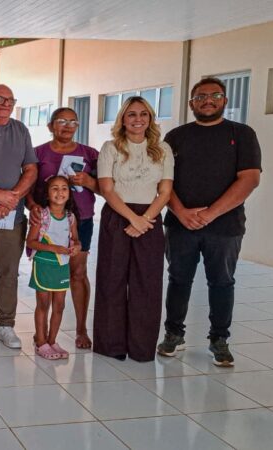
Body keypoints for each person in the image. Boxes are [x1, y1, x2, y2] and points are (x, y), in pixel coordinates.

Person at [157, 78, 262, 367]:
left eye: (215, 95)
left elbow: (250, 178)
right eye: (200, 96)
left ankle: (219, 340)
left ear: (225, 101)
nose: (208, 100)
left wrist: (210, 213)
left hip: (225, 227)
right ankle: (173, 334)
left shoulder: (241, 134)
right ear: (191, 103)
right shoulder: (176, 137)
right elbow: (164, 182)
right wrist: (181, 212)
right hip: (181, 225)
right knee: (178, 280)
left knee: (222, 282)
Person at [93, 96, 173, 362]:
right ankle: (111, 345)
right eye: (131, 114)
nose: (137, 119)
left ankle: (141, 348)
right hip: (117, 216)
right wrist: (132, 218)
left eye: (143, 114)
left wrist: (145, 219)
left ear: (150, 118)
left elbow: (165, 191)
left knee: (147, 284)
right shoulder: (111, 147)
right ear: (123, 119)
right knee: (111, 279)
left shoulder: (162, 149)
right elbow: (106, 188)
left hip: (150, 218)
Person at [26, 107, 100, 349]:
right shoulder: (37, 153)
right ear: (50, 126)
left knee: (78, 273)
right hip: (47, 222)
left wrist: (88, 181)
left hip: (81, 220)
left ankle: (81, 329)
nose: (67, 126)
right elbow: (28, 186)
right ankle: (42, 334)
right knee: (47, 272)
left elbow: (107, 187)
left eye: (72, 121)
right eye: (61, 121)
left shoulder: (90, 154)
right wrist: (33, 207)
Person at [0, 84, 38, 349]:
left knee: (8, 273)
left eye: (10, 100)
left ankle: (5, 325)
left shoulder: (21, 130)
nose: (5, 104)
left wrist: (11, 197)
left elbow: (30, 169)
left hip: (10, 217)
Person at [26, 176, 80, 360]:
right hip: (43, 265)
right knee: (43, 304)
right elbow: (31, 242)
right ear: (47, 194)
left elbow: (76, 239)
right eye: (55, 188)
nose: (60, 192)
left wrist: (77, 247)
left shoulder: (71, 217)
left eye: (64, 188)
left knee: (59, 305)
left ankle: (52, 340)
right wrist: (54, 248)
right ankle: (41, 342)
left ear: (69, 193)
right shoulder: (42, 216)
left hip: (62, 266)